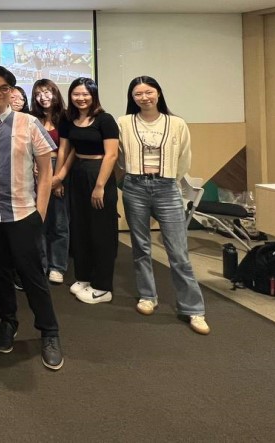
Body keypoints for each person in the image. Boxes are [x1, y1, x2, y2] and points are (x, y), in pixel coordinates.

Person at [0, 66, 62, 370]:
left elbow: (46, 173)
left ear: (12, 92)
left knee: (32, 276)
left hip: (23, 214)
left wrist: (40, 213)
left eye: (4, 88)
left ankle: (50, 332)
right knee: (0, 274)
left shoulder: (29, 124)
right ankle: (8, 321)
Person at [118, 76, 210, 335]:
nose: (144, 97)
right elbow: (120, 156)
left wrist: (169, 179)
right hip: (134, 187)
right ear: (132, 98)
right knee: (140, 246)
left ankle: (193, 309)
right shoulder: (124, 123)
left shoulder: (177, 123)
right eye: (138, 94)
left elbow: (184, 158)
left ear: (158, 94)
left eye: (148, 92)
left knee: (178, 252)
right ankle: (148, 295)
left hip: (167, 188)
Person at [58, 77, 119, 304]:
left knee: (101, 230)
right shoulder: (69, 119)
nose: (81, 98)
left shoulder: (105, 119)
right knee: (80, 227)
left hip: (99, 172)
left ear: (93, 95)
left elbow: (111, 154)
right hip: (78, 172)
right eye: (76, 94)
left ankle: (103, 287)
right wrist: (58, 178)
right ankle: (83, 277)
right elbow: (65, 150)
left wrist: (100, 185)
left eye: (85, 94)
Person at [31, 79, 69, 285]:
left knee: (60, 222)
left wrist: (59, 178)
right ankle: (42, 264)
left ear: (55, 93)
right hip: (35, 169)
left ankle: (57, 266)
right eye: (38, 93)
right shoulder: (31, 118)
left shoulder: (64, 116)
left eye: (47, 92)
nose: (43, 97)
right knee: (39, 220)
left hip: (57, 166)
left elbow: (65, 149)